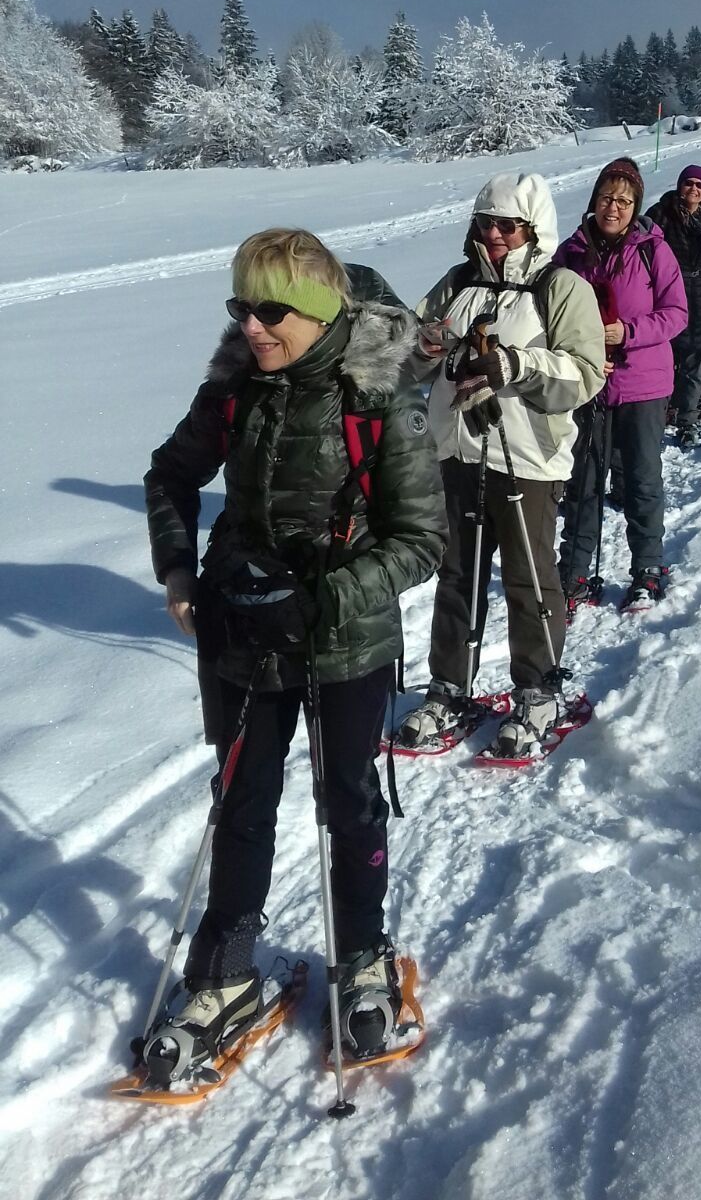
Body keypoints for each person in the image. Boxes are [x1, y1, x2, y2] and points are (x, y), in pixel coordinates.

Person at [143, 228, 447, 1078]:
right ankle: (225, 972)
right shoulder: (236, 386)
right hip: (240, 630)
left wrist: (325, 598)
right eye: (240, 307)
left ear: (316, 312)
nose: (252, 327)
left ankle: (362, 956)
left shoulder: (374, 396)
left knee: (347, 802)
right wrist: (177, 570)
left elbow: (421, 539)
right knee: (240, 801)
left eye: (270, 310)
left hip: (343, 643)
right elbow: (169, 474)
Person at [399, 173, 606, 759]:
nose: (494, 235)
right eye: (485, 223)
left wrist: (512, 365)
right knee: (457, 573)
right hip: (457, 453)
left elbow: (585, 373)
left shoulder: (561, 287)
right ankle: (448, 687)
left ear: (532, 229)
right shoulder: (458, 282)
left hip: (528, 461)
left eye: (507, 225)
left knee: (528, 576)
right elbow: (405, 360)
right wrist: (427, 348)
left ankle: (539, 690)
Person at [554, 157, 687, 611]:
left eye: (625, 201)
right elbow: (550, 313)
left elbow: (676, 314)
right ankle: (572, 571)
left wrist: (626, 333)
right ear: (594, 199)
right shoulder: (571, 253)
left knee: (641, 479)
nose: (615, 207)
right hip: (588, 385)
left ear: (636, 207)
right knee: (583, 481)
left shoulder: (654, 250)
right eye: (608, 197)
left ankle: (647, 569)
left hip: (643, 385)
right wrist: (581, 349)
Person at [647, 163, 701, 448]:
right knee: (664, 364)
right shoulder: (661, 215)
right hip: (668, 297)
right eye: (689, 183)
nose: (694, 189)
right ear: (680, 185)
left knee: (694, 366)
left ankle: (688, 419)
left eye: (699, 185)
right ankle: (661, 415)